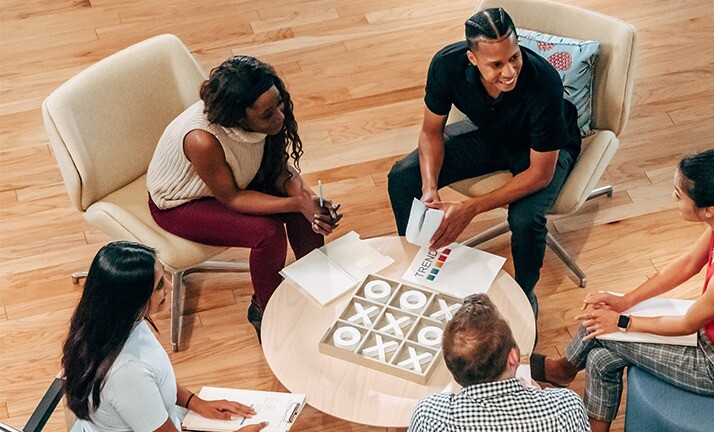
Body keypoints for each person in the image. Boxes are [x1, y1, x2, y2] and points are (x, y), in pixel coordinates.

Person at [531, 150, 714, 432]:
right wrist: (626, 300)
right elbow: (688, 263)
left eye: (678, 194)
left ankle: (564, 368)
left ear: (708, 209)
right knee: (601, 357)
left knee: (601, 328)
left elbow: (687, 324)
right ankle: (566, 373)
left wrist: (622, 321)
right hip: (712, 332)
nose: (673, 198)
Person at [387, 8, 582, 318]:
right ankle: (419, 264)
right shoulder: (446, 65)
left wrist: (471, 208)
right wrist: (429, 189)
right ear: (472, 58)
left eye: (514, 57)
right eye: (496, 64)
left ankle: (525, 294)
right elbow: (430, 132)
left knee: (525, 219)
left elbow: (540, 174)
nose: (510, 72)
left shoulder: (544, 81)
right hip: (492, 134)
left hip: (542, 151)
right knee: (402, 176)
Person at [146, 56, 342, 339]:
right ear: (238, 117)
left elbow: (275, 168)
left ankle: (320, 284)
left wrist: (308, 200)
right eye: (267, 115)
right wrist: (297, 202)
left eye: (279, 103)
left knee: (303, 207)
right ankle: (266, 310)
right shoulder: (202, 139)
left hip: (235, 180)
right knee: (267, 233)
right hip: (181, 202)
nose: (280, 117)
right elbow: (232, 198)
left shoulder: (267, 116)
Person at [62, 241, 268, 432]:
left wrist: (195, 402)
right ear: (133, 300)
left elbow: (157, 379)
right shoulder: (126, 373)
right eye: (160, 284)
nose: (170, 286)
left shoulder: (112, 323)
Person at [408, 293, 588, 431]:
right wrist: (540, 397)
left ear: (452, 368)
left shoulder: (429, 416)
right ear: (513, 358)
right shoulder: (566, 407)